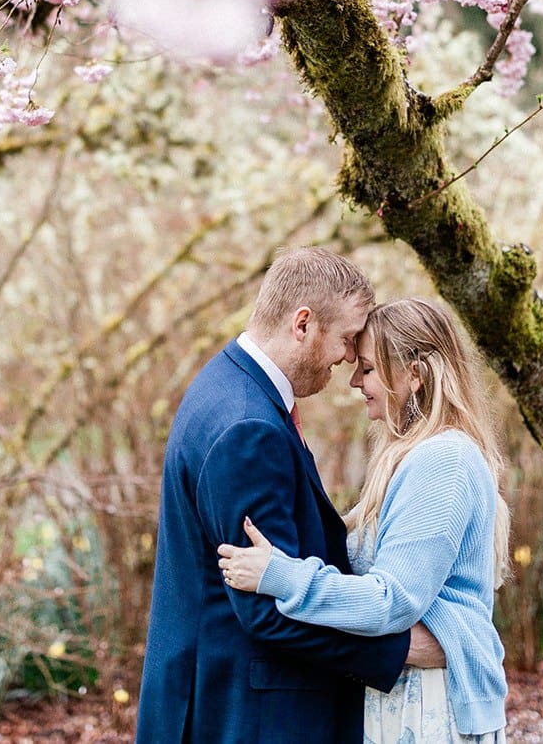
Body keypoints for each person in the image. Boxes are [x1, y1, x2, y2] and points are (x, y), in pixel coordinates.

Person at [135, 248, 444, 744]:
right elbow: (266, 608)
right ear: (303, 324)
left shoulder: (226, 385)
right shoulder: (248, 429)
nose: (348, 360)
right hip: (248, 715)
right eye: (346, 340)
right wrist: (398, 648)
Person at [217, 297, 511, 744]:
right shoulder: (412, 457)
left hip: (430, 705)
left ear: (415, 375)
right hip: (402, 691)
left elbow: (392, 600)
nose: (355, 380)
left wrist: (281, 576)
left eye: (369, 368)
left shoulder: (443, 459)